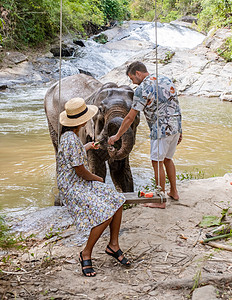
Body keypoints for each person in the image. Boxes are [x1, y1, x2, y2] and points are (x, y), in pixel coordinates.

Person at [57, 97, 130, 277]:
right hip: (73, 185)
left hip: (77, 181)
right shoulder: (71, 140)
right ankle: (86, 253)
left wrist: (87, 147)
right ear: (81, 121)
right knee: (105, 212)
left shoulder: (70, 137)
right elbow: (81, 171)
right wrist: (97, 178)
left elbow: (73, 155)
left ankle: (113, 245)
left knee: (118, 199)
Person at [108, 61, 182, 208]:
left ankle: (159, 200)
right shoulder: (166, 79)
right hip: (175, 127)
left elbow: (130, 117)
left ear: (138, 73)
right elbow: (176, 105)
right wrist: (180, 130)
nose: (133, 82)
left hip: (160, 130)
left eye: (132, 79)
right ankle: (174, 191)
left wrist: (116, 136)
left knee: (157, 162)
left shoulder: (143, 89)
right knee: (168, 159)